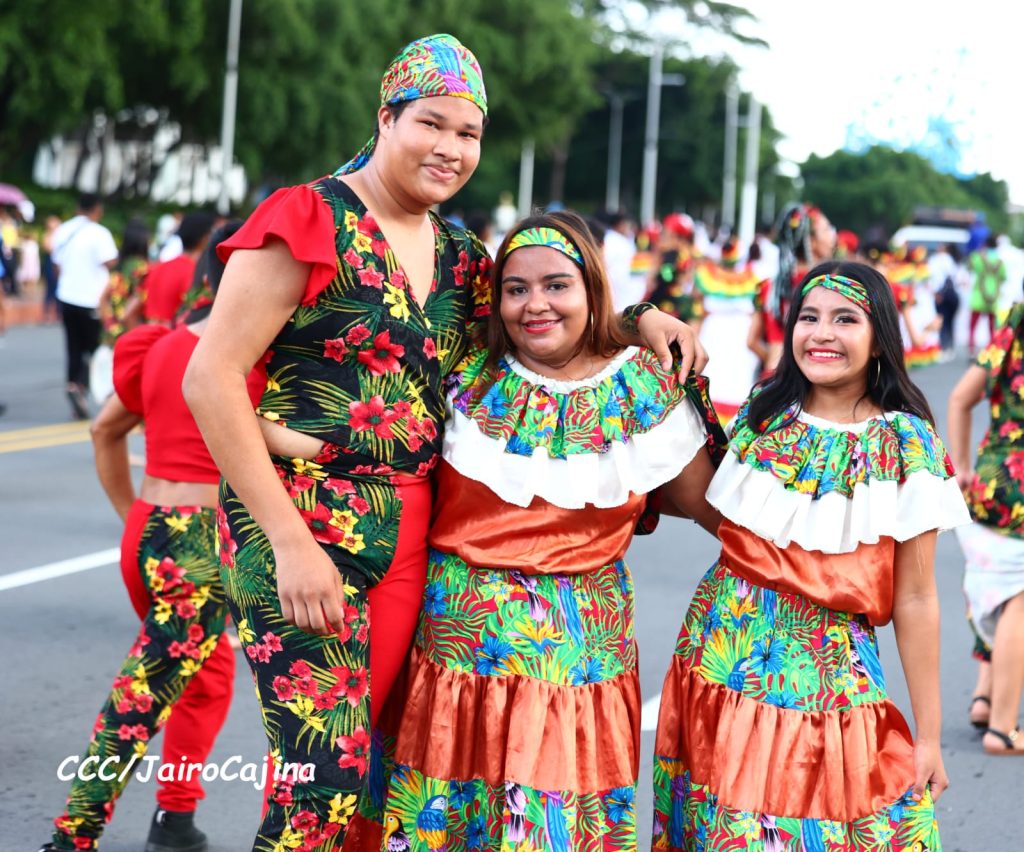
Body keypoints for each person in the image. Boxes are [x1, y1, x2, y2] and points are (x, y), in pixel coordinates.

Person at [183, 34, 704, 850]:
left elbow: (548, 310)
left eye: (469, 134)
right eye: (433, 124)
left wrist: (642, 319)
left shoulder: (463, 258)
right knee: (321, 777)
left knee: (380, 776)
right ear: (386, 118)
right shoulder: (309, 218)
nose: (452, 149)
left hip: (415, 536)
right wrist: (289, 543)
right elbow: (208, 377)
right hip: (303, 525)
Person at [365, 210, 723, 850]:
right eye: (516, 288)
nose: (535, 305)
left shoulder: (643, 389)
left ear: (591, 287)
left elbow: (719, 516)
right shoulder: (467, 373)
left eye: (557, 285)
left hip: (578, 667)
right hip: (456, 662)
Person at [653, 261, 971, 849]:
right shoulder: (763, 414)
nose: (821, 333)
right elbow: (726, 518)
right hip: (720, 658)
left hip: (830, 677)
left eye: (845, 319)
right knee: (728, 829)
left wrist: (928, 736)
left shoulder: (906, 442)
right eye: (809, 317)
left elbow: (918, 596)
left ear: (879, 337)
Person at [40, 222, 265, 852]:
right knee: (140, 696)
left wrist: (130, 514)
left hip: (149, 530)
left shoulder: (164, 345)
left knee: (210, 673)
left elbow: (103, 431)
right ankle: (71, 836)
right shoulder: (252, 362)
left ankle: (176, 819)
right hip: (198, 546)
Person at [947, 302, 1024, 754]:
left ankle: (984, 697)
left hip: (994, 480)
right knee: (1018, 598)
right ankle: (1003, 728)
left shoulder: (1011, 332)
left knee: (994, 582)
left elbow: (959, 398)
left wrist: (961, 467)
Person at [52, 193, 119, 419]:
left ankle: (73, 386)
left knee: (73, 346)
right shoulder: (99, 234)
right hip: (90, 299)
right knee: (94, 348)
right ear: (97, 208)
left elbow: (56, 264)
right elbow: (110, 261)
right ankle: (86, 387)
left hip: (66, 296)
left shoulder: (64, 230)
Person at [748, 202, 836, 375]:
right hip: (806, 382)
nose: (833, 237)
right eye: (826, 230)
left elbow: (751, 341)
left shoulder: (768, 286)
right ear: (810, 241)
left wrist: (773, 362)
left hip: (772, 377)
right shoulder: (827, 287)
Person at [695, 236, 761, 422]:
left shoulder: (706, 276)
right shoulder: (754, 277)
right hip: (737, 333)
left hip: (716, 332)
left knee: (716, 378)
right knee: (733, 380)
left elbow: (698, 303)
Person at [137, 211, 216, 325]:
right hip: (174, 338)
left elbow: (130, 313)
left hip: (150, 338)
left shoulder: (157, 267)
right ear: (205, 238)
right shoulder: (197, 274)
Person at [967, 235, 1007, 354]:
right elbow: (1004, 278)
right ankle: (992, 351)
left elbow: (969, 266)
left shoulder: (978, 257)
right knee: (992, 327)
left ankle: (972, 349)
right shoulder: (1000, 262)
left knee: (973, 326)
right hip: (994, 298)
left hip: (978, 296)